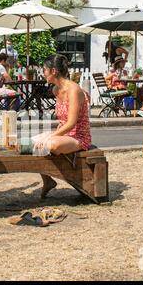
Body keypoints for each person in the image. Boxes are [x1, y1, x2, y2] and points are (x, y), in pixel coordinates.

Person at [33, 54, 91, 198]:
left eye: (44, 70)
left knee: (50, 145)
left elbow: (71, 123)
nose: (43, 73)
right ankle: (48, 180)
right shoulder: (55, 90)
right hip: (65, 134)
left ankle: (59, 176)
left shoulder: (74, 90)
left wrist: (50, 137)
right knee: (34, 141)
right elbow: (63, 122)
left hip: (79, 136)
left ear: (53, 71)